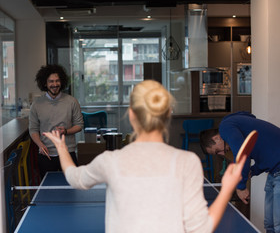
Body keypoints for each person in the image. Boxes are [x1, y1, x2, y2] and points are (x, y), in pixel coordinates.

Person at [44, 80, 245, 233]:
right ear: (168, 114)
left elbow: (74, 178)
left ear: (131, 114)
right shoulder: (187, 162)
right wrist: (227, 188)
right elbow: (201, 228)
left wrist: (61, 147)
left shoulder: (111, 160)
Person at [200, 111, 280, 233]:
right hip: (274, 171)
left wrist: (241, 187)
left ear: (216, 138)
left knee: (278, 224)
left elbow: (243, 155)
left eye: (217, 151)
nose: (222, 154)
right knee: (269, 224)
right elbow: (264, 153)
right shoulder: (237, 125)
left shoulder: (226, 127)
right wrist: (252, 171)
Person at [29, 64, 84, 178]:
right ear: (45, 83)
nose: (55, 84)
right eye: (51, 81)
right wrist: (40, 145)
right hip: (47, 155)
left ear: (62, 82)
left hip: (68, 152)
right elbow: (33, 129)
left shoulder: (72, 101)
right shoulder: (36, 104)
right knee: (48, 191)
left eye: (57, 81)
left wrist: (66, 131)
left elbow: (79, 125)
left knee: (72, 188)